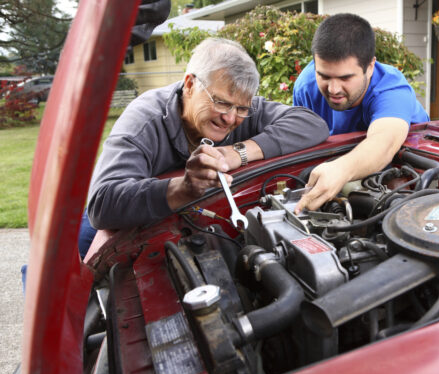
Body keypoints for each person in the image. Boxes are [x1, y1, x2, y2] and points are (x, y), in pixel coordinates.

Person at [84, 37, 329, 236]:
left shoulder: (244, 109)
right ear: (189, 85)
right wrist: (182, 188)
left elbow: (312, 124)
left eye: (242, 108)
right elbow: (102, 203)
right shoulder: (143, 120)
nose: (231, 119)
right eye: (221, 103)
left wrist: (238, 153)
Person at [292, 13, 429, 213]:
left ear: (370, 67)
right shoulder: (306, 86)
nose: (333, 89)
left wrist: (340, 170)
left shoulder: (390, 89)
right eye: (324, 76)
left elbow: (384, 142)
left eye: (345, 78)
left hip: (401, 175)